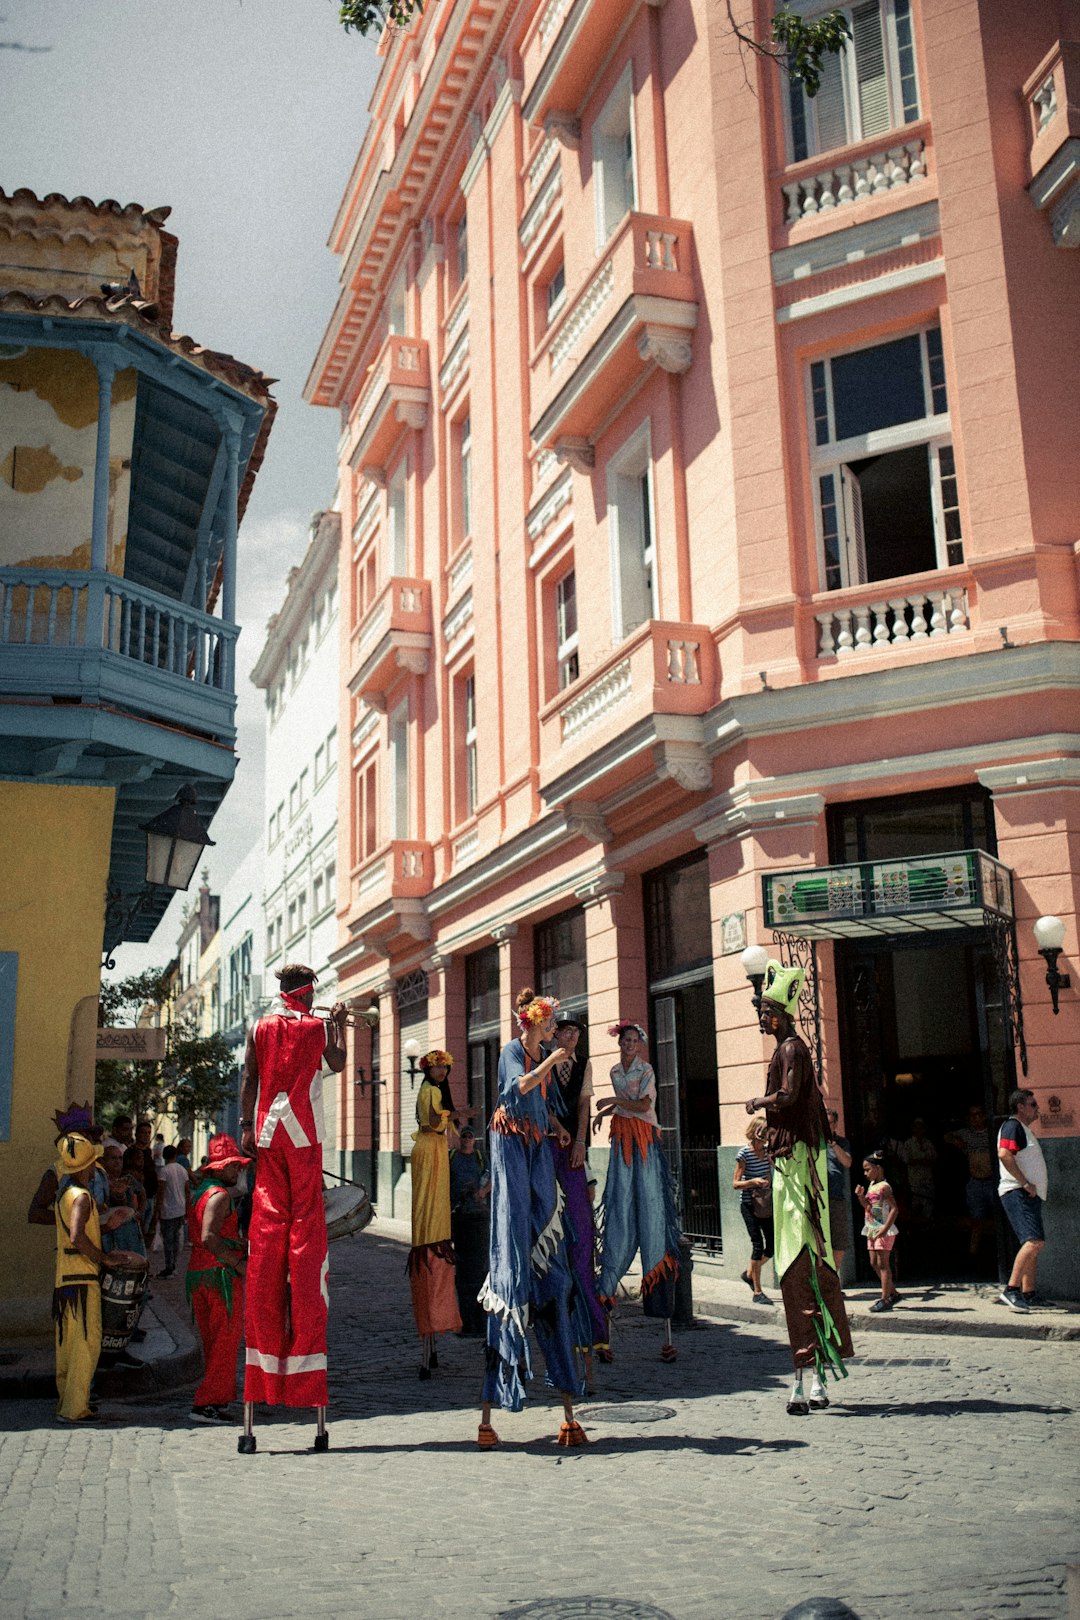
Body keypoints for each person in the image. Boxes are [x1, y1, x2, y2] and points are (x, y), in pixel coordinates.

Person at [478, 987, 586, 1449]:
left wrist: (562, 1130)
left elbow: (542, 1104)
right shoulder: (512, 1052)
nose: (552, 1032)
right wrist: (550, 1061)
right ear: (533, 1024)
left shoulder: (542, 1053)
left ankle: (567, 1410)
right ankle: (491, 1412)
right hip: (511, 1147)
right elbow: (517, 1089)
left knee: (552, 1255)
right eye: (548, 1026)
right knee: (513, 1253)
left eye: (553, 1029)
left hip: (538, 1145)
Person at [239, 963, 347, 1423]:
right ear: (307, 993)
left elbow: (248, 1078)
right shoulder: (315, 1027)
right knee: (305, 1242)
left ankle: (263, 1368)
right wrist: (338, 1027)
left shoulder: (258, 1027)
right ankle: (304, 1372)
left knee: (266, 1240)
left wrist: (245, 1124)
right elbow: (338, 1064)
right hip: (303, 1139)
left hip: (266, 1136)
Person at [745, 960, 853, 1416]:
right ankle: (812, 1377)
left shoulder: (790, 1049)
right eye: (762, 1010)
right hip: (795, 1165)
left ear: (782, 1013)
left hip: (798, 1169)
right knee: (808, 1266)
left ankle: (807, 1377)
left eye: (767, 1010)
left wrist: (757, 1101)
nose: (762, 1018)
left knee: (799, 1266)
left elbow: (788, 1097)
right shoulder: (793, 1048)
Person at [595, 1020, 683, 1362]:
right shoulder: (616, 1069)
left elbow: (644, 1104)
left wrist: (611, 1103)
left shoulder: (646, 1070)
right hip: (622, 1141)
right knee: (620, 1209)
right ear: (620, 1043)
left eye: (634, 1040)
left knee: (651, 1210)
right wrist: (608, 1107)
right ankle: (602, 1323)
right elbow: (623, 1105)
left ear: (640, 1044)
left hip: (644, 1142)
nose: (630, 1044)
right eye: (626, 1039)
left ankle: (664, 1324)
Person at [52, 1131, 144, 1422]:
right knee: (86, 1344)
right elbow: (78, 1237)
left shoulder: (65, 1195)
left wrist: (107, 1226)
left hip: (65, 1277)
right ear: (85, 1167)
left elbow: (76, 1234)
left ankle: (67, 1402)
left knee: (68, 1345)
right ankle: (75, 1408)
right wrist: (104, 1257)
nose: (95, 1168)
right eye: (93, 1163)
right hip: (81, 1278)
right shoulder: (81, 1198)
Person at [548, 1013, 609, 1365]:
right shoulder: (544, 1059)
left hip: (573, 1145)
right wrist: (557, 1127)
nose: (570, 1037)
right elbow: (541, 1101)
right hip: (549, 1143)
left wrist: (581, 1140)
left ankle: (590, 1325)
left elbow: (584, 1104)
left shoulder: (584, 1065)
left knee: (580, 1230)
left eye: (575, 1033)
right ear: (556, 1035)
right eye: (566, 1031)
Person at [409, 1049, 471, 1376]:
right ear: (429, 1070)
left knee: (433, 1226)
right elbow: (432, 1123)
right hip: (430, 1152)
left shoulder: (433, 1091)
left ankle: (430, 1341)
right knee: (433, 1228)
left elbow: (447, 1131)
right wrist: (456, 1114)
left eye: (445, 1068)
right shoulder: (430, 1091)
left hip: (431, 1152)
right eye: (437, 1068)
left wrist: (457, 1119)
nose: (442, 1072)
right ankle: (433, 1330)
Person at [186, 1134, 250, 1423]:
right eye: (233, 1166)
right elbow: (209, 1237)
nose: (237, 1171)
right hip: (219, 1276)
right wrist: (237, 1263)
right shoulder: (220, 1195)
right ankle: (206, 1403)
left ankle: (215, 1399)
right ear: (219, 1168)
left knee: (214, 1342)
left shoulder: (201, 1192)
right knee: (225, 1342)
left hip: (200, 1274)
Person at [997, 1089, 1047, 1312]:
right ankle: (1011, 1290)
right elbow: (1004, 1154)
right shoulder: (1012, 1126)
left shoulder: (1023, 1129)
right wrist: (1025, 1183)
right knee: (1034, 1242)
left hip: (1027, 1194)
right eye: (1033, 1104)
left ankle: (1029, 1293)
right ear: (1020, 1107)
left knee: (1032, 1245)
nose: (1037, 1109)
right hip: (1018, 1192)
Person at [449, 1127, 490, 1336]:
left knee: (480, 1271)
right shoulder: (453, 1157)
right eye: (464, 1136)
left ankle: (481, 1322)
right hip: (459, 1218)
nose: (466, 1140)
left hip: (479, 1219)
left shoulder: (481, 1158)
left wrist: (482, 1192)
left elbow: (494, 1177)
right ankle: (467, 1322)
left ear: (474, 1140)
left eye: (470, 1136)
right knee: (463, 1272)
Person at [944, 1103, 996, 1260]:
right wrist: (957, 1142)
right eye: (972, 1115)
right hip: (975, 1182)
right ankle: (973, 1257)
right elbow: (946, 1136)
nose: (975, 1118)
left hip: (991, 1181)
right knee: (976, 1221)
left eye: (978, 1114)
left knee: (999, 1218)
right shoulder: (966, 1134)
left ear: (984, 1116)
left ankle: (1001, 1253)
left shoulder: (992, 1133)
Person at [734, 1115, 774, 1304]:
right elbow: (735, 1183)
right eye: (763, 1132)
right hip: (749, 1203)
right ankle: (757, 1291)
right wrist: (753, 1182)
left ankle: (749, 1273)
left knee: (771, 1246)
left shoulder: (768, 1153)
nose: (764, 1136)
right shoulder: (744, 1154)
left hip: (765, 1203)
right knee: (757, 1244)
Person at [855, 1152, 899, 1312]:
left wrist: (885, 1228)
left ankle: (885, 1298)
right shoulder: (872, 1185)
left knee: (883, 1263)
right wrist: (861, 1197)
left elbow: (894, 1209)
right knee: (874, 1262)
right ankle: (892, 1291)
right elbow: (869, 1207)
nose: (865, 1173)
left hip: (882, 1230)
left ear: (878, 1168)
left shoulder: (884, 1187)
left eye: (868, 1169)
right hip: (872, 1228)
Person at [824, 1109, 853, 1277]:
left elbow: (847, 1162)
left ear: (835, 1124)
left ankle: (833, 1279)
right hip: (817, 1199)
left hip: (836, 1197)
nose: (827, 1126)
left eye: (830, 1123)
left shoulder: (842, 1143)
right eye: (824, 1123)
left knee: (839, 1241)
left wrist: (833, 1144)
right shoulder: (814, 1142)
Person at [157, 1145, 190, 1278]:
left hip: (168, 1210)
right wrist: (187, 1208)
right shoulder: (182, 1169)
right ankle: (173, 1265)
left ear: (164, 1156)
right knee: (176, 1239)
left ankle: (169, 1267)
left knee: (168, 1240)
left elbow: (161, 1191)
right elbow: (187, 1190)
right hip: (180, 1209)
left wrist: (157, 1209)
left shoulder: (164, 1171)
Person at [899, 1117, 938, 1225]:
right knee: (915, 1206)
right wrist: (922, 1161)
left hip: (928, 1180)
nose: (919, 1130)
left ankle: (926, 1227)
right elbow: (907, 1160)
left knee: (928, 1205)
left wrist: (920, 1161)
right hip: (914, 1181)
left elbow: (934, 1159)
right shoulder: (908, 1144)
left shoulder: (928, 1143)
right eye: (917, 1127)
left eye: (921, 1128)